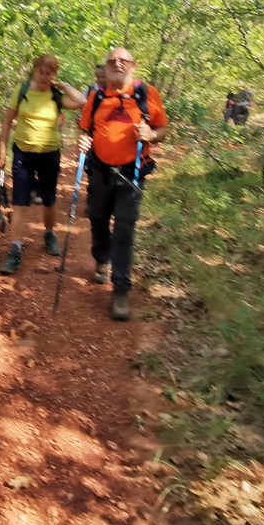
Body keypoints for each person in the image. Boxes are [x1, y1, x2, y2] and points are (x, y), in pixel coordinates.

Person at [78, 47, 168, 321]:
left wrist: (151, 134)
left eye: (123, 60)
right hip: (100, 171)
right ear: (105, 68)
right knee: (97, 219)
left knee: (125, 229)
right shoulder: (96, 95)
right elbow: (85, 128)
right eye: (112, 61)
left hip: (133, 174)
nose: (117, 64)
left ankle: (120, 289)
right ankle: (101, 260)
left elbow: (163, 129)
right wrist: (83, 140)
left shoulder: (147, 93)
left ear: (133, 65)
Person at [0, 54, 87, 275]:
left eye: (50, 72)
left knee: (49, 199)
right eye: (41, 71)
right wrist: (1, 152)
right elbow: (7, 121)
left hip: (49, 154)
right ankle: (15, 249)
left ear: (54, 74)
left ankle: (49, 234)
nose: (45, 75)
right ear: (35, 70)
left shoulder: (56, 95)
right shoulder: (22, 91)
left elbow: (82, 102)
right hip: (23, 154)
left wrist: (64, 85)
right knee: (20, 203)